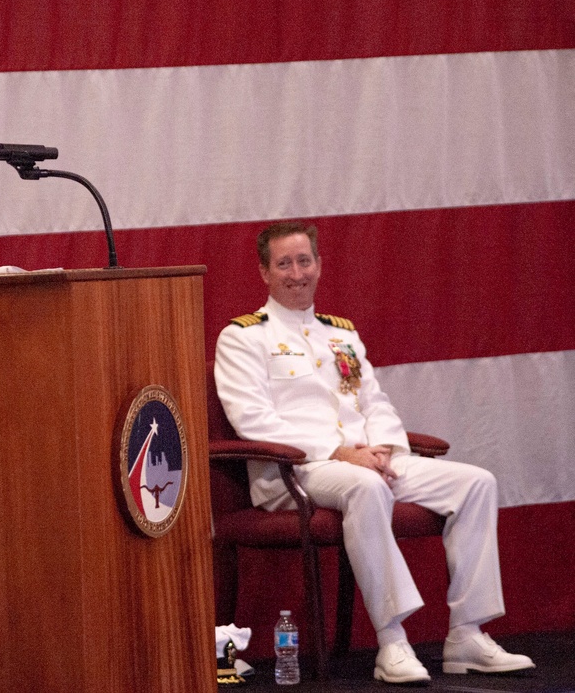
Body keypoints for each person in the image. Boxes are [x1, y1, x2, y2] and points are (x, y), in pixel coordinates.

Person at [213, 221, 534, 684]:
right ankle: (393, 640)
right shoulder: (244, 338)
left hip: (365, 462)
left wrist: (383, 448)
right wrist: (343, 454)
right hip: (296, 472)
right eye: (284, 263)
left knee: (476, 483)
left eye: (305, 261)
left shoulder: (340, 335)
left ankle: (467, 634)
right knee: (365, 487)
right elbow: (254, 421)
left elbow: (374, 402)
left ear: (320, 265)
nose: (297, 272)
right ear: (264, 272)